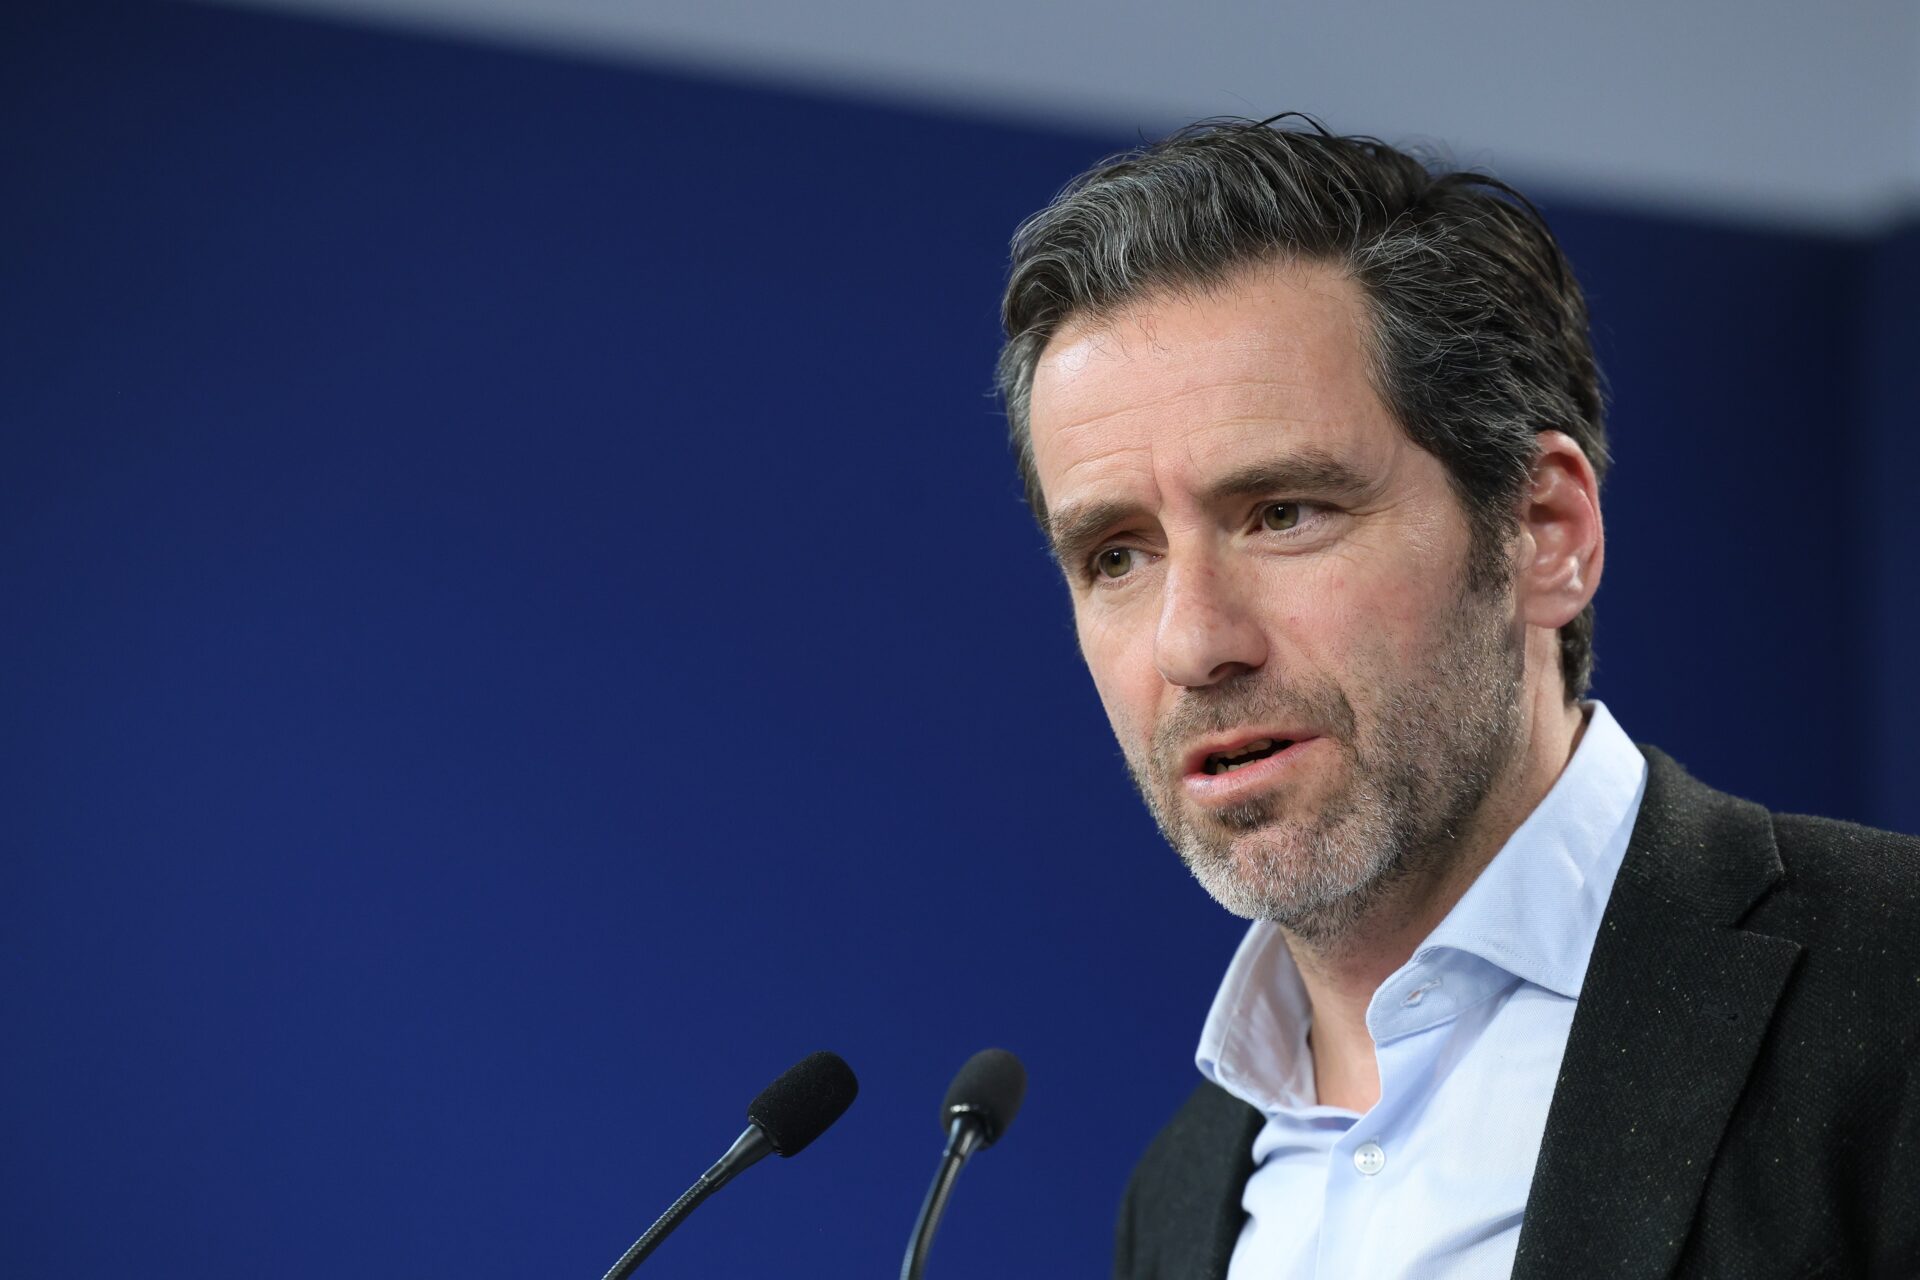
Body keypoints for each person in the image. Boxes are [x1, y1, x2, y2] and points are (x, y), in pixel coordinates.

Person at [994, 117, 1920, 1279]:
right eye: (1117, 556)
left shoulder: (1893, 983)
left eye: (1283, 513)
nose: (1192, 641)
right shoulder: (1179, 1199)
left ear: (1544, 531)